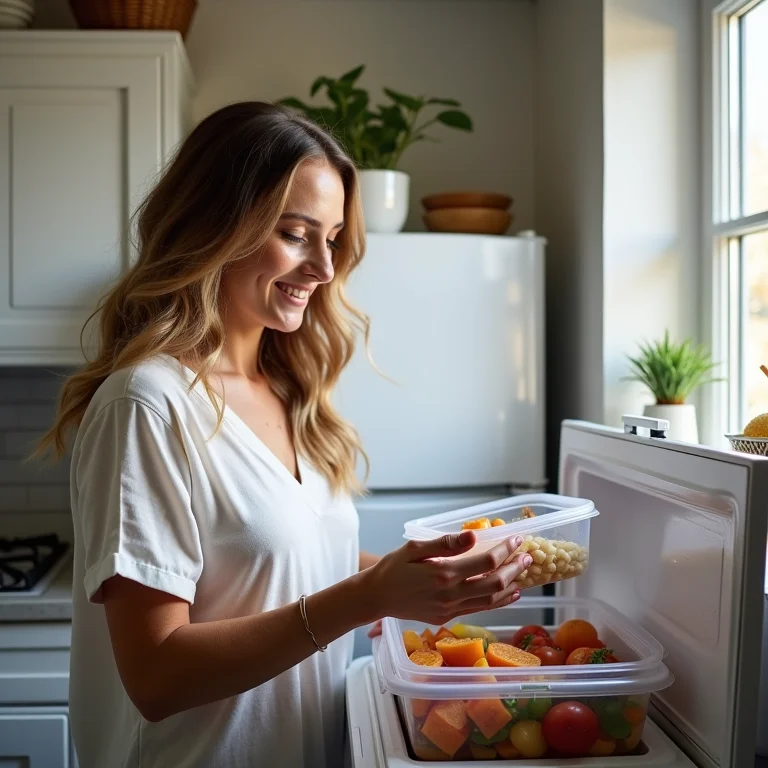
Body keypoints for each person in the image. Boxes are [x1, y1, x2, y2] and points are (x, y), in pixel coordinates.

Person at [40, 101, 532, 768]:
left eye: (332, 239)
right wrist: (367, 598)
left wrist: (425, 575)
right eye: (297, 234)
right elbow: (156, 676)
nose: (324, 269)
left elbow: (283, 563)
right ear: (214, 224)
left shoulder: (291, 392)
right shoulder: (147, 405)